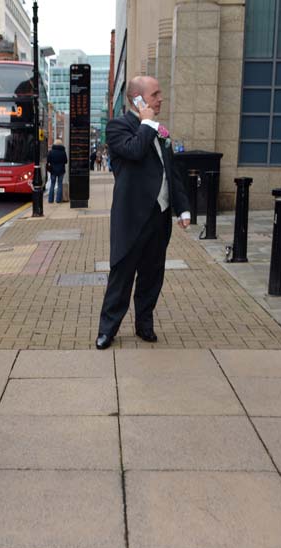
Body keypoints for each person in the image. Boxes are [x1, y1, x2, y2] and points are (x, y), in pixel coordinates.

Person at [95, 76, 191, 350]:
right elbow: (135, 152)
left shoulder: (160, 131)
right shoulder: (118, 128)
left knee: (152, 275)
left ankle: (144, 325)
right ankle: (107, 329)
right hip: (131, 218)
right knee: (121, 275)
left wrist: (182, 206)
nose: (161, 99)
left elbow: (171, 172)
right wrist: (147, 122)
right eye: (155, 94)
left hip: (159, 217)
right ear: (137, 100)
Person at [46, 138, 67, 204]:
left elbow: (48, 160)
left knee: (52, 184)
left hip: (53, 170)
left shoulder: (51, 152)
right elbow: (66, 161)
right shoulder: (63, 152)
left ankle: (50, 200)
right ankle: (58, 200)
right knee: (60, 185)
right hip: (61, 170)